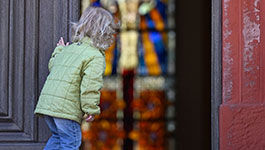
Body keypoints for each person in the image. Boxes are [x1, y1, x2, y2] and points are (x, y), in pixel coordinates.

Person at [34, 6, 119, 150]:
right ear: (106, 33)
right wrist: (90, 109)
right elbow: (90, 86)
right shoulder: (95, 56)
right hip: (65, 110)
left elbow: (53, 66)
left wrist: (59, 50)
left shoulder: (70, 48)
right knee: (71, 143)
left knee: (57, 138)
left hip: (48, 105)